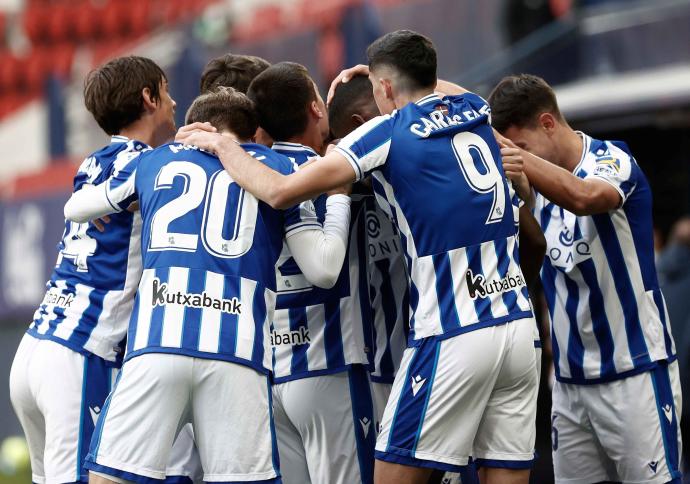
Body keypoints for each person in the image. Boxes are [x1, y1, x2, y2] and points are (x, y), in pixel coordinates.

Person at [178, 30, 539, 484]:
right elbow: (454, 92)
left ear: (384, 88)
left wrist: (225, 146)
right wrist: (389, 72)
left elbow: (281, 191)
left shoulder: (385, 132)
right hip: (518, 326)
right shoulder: (474, 111)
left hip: (453, 330)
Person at [63, 87, 351, 483]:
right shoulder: (277, 167)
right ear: (253, 135)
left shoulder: (155, 161)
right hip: (237, 354)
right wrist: (338, 199)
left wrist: (120, 204)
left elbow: (76, 208)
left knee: (112, 476)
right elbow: (322, 269)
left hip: (157, 345)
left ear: (194, 127)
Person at [489, 74, 681, 484]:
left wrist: (519, 161)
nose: (515, 159)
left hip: (635, 374)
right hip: (569, 386)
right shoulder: (532, 187)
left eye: (519, 147)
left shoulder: (612, 160)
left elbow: (584, 198)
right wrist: (395, 77)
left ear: (547, 123)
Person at [8, 55, 176, 484]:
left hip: (33, 347)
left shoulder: (92, 162)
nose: (174, 103)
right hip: (80, 353)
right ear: (149, 98)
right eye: (167, 91)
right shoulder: (149, 166)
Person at [246, 61, 375, 484]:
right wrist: (339, 199)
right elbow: (323, 269)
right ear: (315, 109)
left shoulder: (248, 173)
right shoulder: (325, 170)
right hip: (328, 367)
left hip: (272, 372)